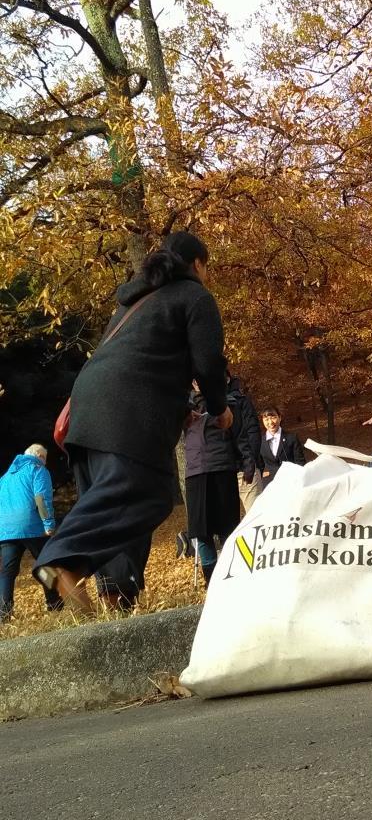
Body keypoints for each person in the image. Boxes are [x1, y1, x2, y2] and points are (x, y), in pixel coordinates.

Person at [33, 231, 231, 614]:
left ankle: (112, 599)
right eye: (208, 268)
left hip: (87, 410)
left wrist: (177, 408)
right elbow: (208, 364)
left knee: (112, 499)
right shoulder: (195, 296)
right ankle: (59, 560)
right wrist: (219, 408)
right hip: (125, 413)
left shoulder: (131, 303)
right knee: (149, 495)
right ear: (197, 264)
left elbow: (137, 359)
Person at [181, 371, 261, 583]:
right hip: (195, 474)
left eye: (202, 379)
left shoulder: (227, 402)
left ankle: (242, 574)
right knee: (201, 532)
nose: (198, 383)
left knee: (229, 529)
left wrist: (248, 464)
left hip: (222, 469)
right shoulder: (183, 405)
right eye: (194, 380)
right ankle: (212, 582)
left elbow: (240, 436)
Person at [0, 444, 62, 621]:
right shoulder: (38, 469)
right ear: (40, 456)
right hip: (32, 526)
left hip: (6, 530)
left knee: (7, 572)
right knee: (45, 563)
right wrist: (49, 524)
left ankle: (4, 614)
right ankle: (54, 603)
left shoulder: (5, 477)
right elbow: (41, 498)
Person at [258, 407, 306, 484]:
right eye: (266, 419)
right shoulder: (260, 441)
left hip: (291, 481)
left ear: (280, 418)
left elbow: (300, 463)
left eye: (273, 418)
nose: (270, 422)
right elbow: (259, 466)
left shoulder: (291, 438)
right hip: (270, 484)